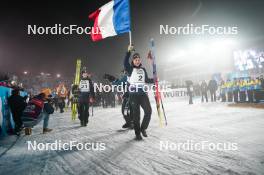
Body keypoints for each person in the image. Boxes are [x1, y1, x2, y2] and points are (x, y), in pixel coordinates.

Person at [124, 45, 154, 140]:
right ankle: (137, 134)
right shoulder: (130, 69)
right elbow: (125, 62)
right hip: (133, 95)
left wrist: (154, 79)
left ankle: (143, 128)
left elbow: (147, 80)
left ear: (140, 60)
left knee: (148, 111)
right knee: (136, 116)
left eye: (138, 59)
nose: (137, 61)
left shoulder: (143, 69)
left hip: (142, 94)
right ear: (133, 61)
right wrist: (128, 52)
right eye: (135, 60)